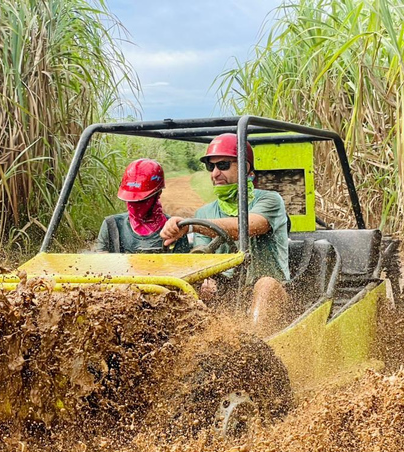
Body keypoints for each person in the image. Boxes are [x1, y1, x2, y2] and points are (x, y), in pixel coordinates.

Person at [160, 133, 290, 330]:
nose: (214, 173)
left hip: (270, 292)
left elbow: (247, 226)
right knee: (190, 290)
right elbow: (202, 256)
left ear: (245, 166)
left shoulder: (270, 200)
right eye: (210, 167)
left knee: (265, 286)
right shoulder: (205, 213)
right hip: (227, 292)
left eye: (223, 166)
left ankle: (255, 348)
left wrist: (191, 226)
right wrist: (205, 281)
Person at [95, 158, 190, 253]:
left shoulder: (175, 229)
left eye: (141, 201)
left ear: (158, 193)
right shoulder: (112, 226)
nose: (134, 205)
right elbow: (100, 265)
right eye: (130, 200)